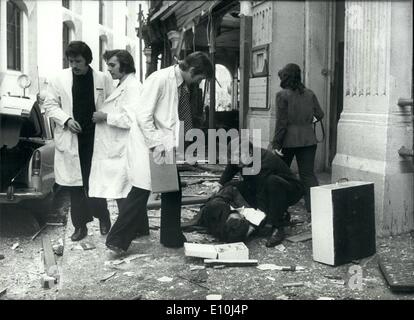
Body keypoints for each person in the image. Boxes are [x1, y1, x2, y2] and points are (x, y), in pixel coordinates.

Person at [105, 51, 214, 254]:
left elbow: (171, 117)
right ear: (191, 70)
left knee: (172, 189)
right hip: (150, 143)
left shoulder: (179, 84)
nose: (198, 82)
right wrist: (156, 144)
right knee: (141, 190)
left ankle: (171, 236)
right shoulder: (160, 79)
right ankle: (117, 239)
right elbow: (142, 115)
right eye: (199, 77)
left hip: (163, 144)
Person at [43, 41, 114, 241]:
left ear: (87, 60)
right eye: (71, 61)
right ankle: (80, 226)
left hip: (95, 137)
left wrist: (103, 116)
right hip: (71, 137)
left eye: (78, 61)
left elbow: (111, 103)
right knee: (74, 186)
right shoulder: (58, 79)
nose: (74, 65)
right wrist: (66, 120)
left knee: (95, 181)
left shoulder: (102, 78)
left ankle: (103, 217)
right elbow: (49, 104)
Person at [213, 142, 305, 247]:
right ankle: (278, 214)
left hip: (290, 190)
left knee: (272, 182)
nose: (235, 160)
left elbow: (261, 194)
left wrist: (256, 223)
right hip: (265, 186)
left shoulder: (264, 163)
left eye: (238, 157)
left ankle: (278, 226)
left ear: (251, 154)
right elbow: (232, 167)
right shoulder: (242, 156)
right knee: (234, 185)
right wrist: (219, 184)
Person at [89, 50, 142, 224]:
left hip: (124, 147)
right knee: (122, 190)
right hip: (117, 146)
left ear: (124, 64)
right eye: (108, 65)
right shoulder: (123, 84)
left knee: (124, 191)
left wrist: (105, 117)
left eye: (112, 65)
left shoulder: (133, 86)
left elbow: (131, 119)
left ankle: (132, 229)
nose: (109, 69)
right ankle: (138, 228)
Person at [271, 63, 324, 213]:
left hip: (288, 140)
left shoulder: (282, 95)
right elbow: (320, 114)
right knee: (308, 175)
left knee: (280, 173)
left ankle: (280, 207)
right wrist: (307, 121)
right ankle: (315, 210)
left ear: (285, 78)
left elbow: (281, 123)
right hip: (308, 139)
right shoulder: (310, 93)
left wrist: (276, 144)